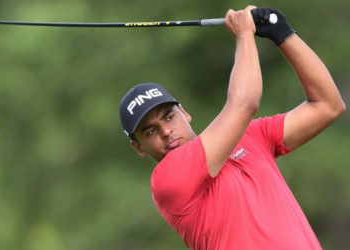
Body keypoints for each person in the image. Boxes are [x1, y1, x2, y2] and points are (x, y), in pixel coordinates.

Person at [119, 6, 346, 250]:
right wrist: (244, 35)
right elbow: (245, 103)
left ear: (184, 113)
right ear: (138, 147)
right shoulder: (167, 180)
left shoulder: (250, 136)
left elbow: (328, 106)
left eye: (168, 116)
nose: (165, 131)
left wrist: (282, 33)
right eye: (150, 131)